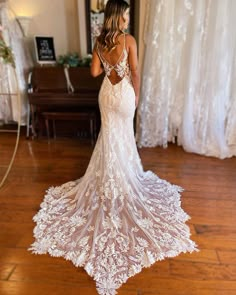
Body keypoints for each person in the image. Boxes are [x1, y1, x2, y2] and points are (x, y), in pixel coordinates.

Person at [29, 1, 198, 294]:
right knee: (122, 137)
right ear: (119, 16)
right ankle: (124, 179)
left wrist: (106, 61)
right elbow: (134, 70)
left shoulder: (99, 41)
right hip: (124, 96)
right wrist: (136, 98)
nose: (128, 18)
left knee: (109, 138)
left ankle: (109, 180)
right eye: (126, 14)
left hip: (107, 94)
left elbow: (95, 72)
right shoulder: (129, 40)